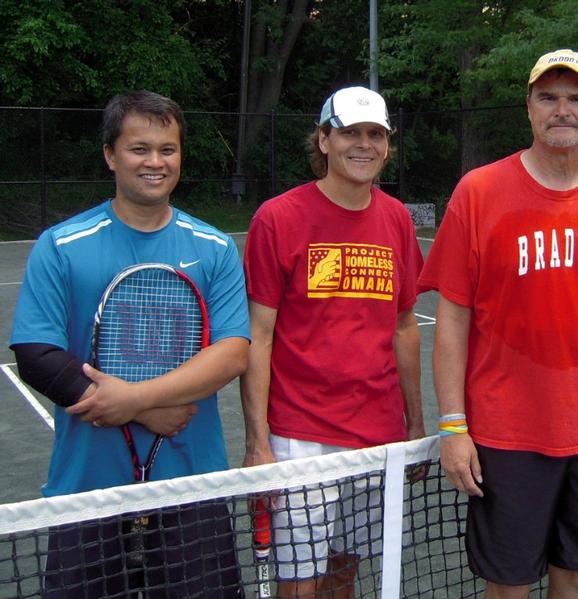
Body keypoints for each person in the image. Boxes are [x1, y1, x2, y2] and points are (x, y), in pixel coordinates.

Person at [418, 49, 578, 599]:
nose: (563, 110)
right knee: (509, 586)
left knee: (577, 578)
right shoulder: (478, 192)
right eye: (549, 97)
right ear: (528, 108)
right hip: (506, 436)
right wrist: (454, 427)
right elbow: (451, 324)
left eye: (577, 98)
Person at [9, 90, 250, 597]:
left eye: (168, 149)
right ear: (110, 155)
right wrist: (146, 413)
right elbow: (37, 354)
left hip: (192, 483)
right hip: (87, 487)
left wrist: (136, 400)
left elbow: (232, 351)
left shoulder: (215, 248)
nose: (155, 162)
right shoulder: (62, 244)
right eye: (140, 148)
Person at [240, 85, 425, 599]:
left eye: (375, 134)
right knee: (300, 584)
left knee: (345, 571)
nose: (362, 144)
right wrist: (258, 444)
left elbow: (405, 326)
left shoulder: (397, 219)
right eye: (348, 133)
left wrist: (415, 424)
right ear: (323, 140)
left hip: (380, 435)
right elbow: (259, 335)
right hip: (301, 435)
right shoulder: (277, 219)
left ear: (387, 146)